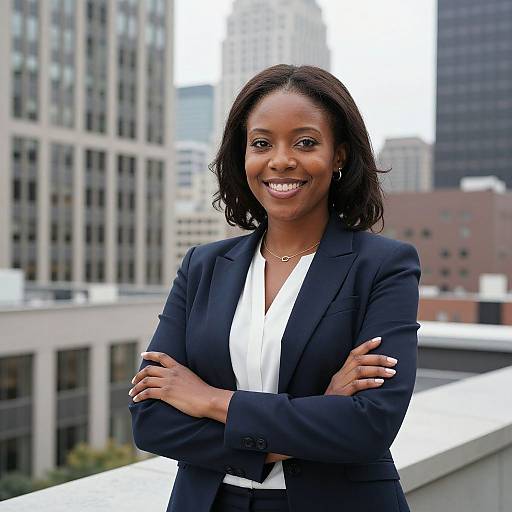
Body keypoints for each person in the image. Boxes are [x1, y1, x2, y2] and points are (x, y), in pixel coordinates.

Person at [128, 64, 420, 512]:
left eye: (305, 142)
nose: (280, 160)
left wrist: (208, 399)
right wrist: (317, 412)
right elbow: (151, 421)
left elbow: (368, 427)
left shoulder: (383, 266)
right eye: (261, 143)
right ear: (242, 156)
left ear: (339, 155)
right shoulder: (202, 266)